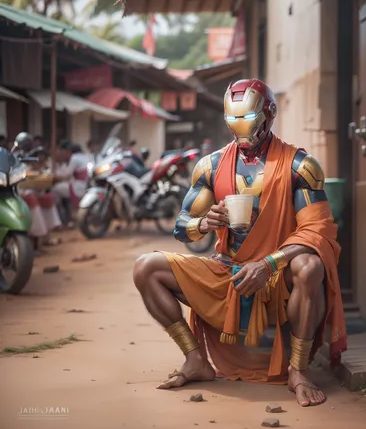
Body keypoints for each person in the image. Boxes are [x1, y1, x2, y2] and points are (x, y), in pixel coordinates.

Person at [133, 79, 347, 407]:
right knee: (146, 267)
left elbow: (317, 233)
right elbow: (181, 227)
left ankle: (298, 370)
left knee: (311, 265)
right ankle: (195, 359)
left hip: (279, 273)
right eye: (234, 124)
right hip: (228, 270)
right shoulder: (212, 165)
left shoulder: (300, 166)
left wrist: (269, 263)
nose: (243, 135)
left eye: (251, 124)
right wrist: (205, 222)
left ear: (269, 116)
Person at [52, 143, 89, 225]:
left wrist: (54, 176)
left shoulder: (74, 158)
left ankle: (59, 217)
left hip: (79, 186)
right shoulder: (86, 156)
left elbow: (67, 175)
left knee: (55, 189)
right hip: (87, 185)